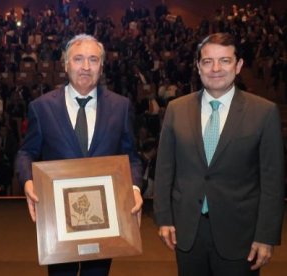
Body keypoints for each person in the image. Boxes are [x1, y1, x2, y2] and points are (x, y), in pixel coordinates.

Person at [154, 32, 285, 276]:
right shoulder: (176, 109)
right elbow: (163, 170)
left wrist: (266, 236)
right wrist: (164, 218)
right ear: (198, 66)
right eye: (207, 61)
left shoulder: (264, 112)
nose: (215, 68)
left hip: (240, 234)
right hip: (187, 231)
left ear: (238, 66)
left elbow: (272, 181)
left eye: (224, 60)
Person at [16, 34, 143, 276]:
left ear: (102, 66)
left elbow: (132, 156)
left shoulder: (121, 106)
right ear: (65, 64)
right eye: (78, 59)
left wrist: (134, 189)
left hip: (105, 218)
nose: (86, 67)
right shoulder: (41, 107)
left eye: (93, 60)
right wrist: (28, 180)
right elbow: (26, 152)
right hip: (59, 217)